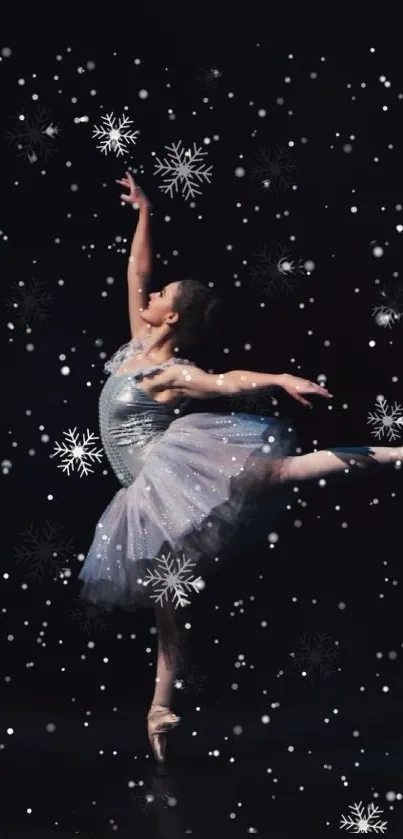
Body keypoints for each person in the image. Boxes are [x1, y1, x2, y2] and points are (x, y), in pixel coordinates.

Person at [78, 172, 403, 763]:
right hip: (140, 491)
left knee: (284, 473)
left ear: (171, 319)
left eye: (161, 299)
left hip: (166, 475)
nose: (150, 300)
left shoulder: (169, 373)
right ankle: (160, 708)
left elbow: (224, 382)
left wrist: (276, 377)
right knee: (168, 602)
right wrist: (144, 211)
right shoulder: (133, 346)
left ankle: (396, 453)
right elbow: (136, 273)